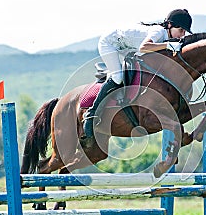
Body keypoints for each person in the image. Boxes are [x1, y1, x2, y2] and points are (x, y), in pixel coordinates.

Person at [83, 9, 193, 139]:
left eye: (184, 32)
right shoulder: (159, 32)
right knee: (118, 78)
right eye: (181, 30)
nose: (182, 35)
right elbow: (144, 47)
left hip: (127, 48)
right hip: (110, 44)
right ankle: (91, 114)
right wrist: (168, 45)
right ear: (169, 25)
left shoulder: (167, 36)